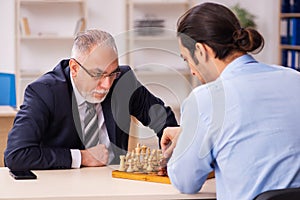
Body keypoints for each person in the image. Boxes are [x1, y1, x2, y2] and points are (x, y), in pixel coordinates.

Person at [161, 2, 300, 200]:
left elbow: (186, 181)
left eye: (187, 58)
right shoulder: (294, 78)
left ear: (201, 50)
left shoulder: (206, 99)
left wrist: (186, 141)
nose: (192, 70)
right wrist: (190, 132)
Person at [5, 29, 178, 170]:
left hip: (113, 185)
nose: (107, 84)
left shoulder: (123, 81)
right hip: (60, 187)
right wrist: (82, 157)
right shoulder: (43, 92)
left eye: (112, 73)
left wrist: (170, 154)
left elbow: (163, 119)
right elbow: (16, 155)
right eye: (97, 74)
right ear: (74, 68)